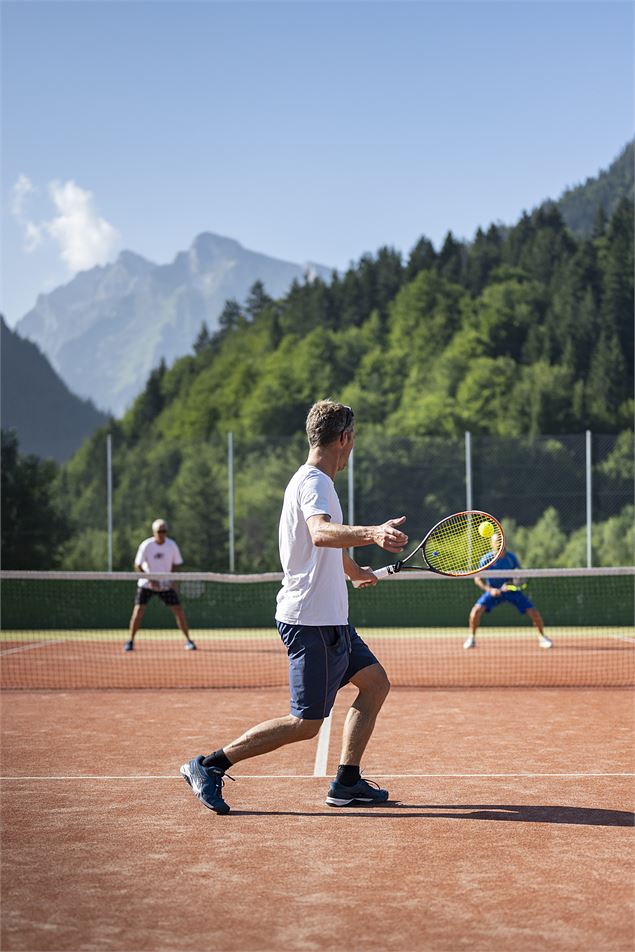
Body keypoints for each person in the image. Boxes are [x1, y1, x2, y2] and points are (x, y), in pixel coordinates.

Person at [180, 399, 408, 815]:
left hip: (332, 619)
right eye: (353, 439)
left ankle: (347, 781)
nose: (353, 446)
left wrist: (355, 571)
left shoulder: (317, 482)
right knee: (305, 724)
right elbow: (320, 534)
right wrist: (373, 532)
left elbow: (326, 548)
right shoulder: (315, 483)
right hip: (311, 622)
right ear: (344, 438)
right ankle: (209, 765)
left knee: (375, 684)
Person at [464, 531, 552, 649]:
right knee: (475, 612)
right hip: (492, 593)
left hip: (511, 592)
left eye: (502, 541)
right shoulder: (486, 559)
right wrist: (490, 590)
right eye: (497, 541)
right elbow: (477, 579)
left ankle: (542, 637)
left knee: (534, 613)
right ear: (492, 543)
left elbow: (518, 577)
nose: (501, 544)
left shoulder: (511, 558)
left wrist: (509, 584)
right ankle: (471, 638)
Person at [124, 518, 196, 652]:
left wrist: (172, 581)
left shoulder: (172, 545)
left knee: (179, 612)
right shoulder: (146, 545)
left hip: (165, 586)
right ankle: (130, 641)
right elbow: (137, 565)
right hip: (146, 585)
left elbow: (176, 564)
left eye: (164, 531)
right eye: (159, 531)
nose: (162, 534)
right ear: (154, 532)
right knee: (138, 611)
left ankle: (189, 640)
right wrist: (151, 580)